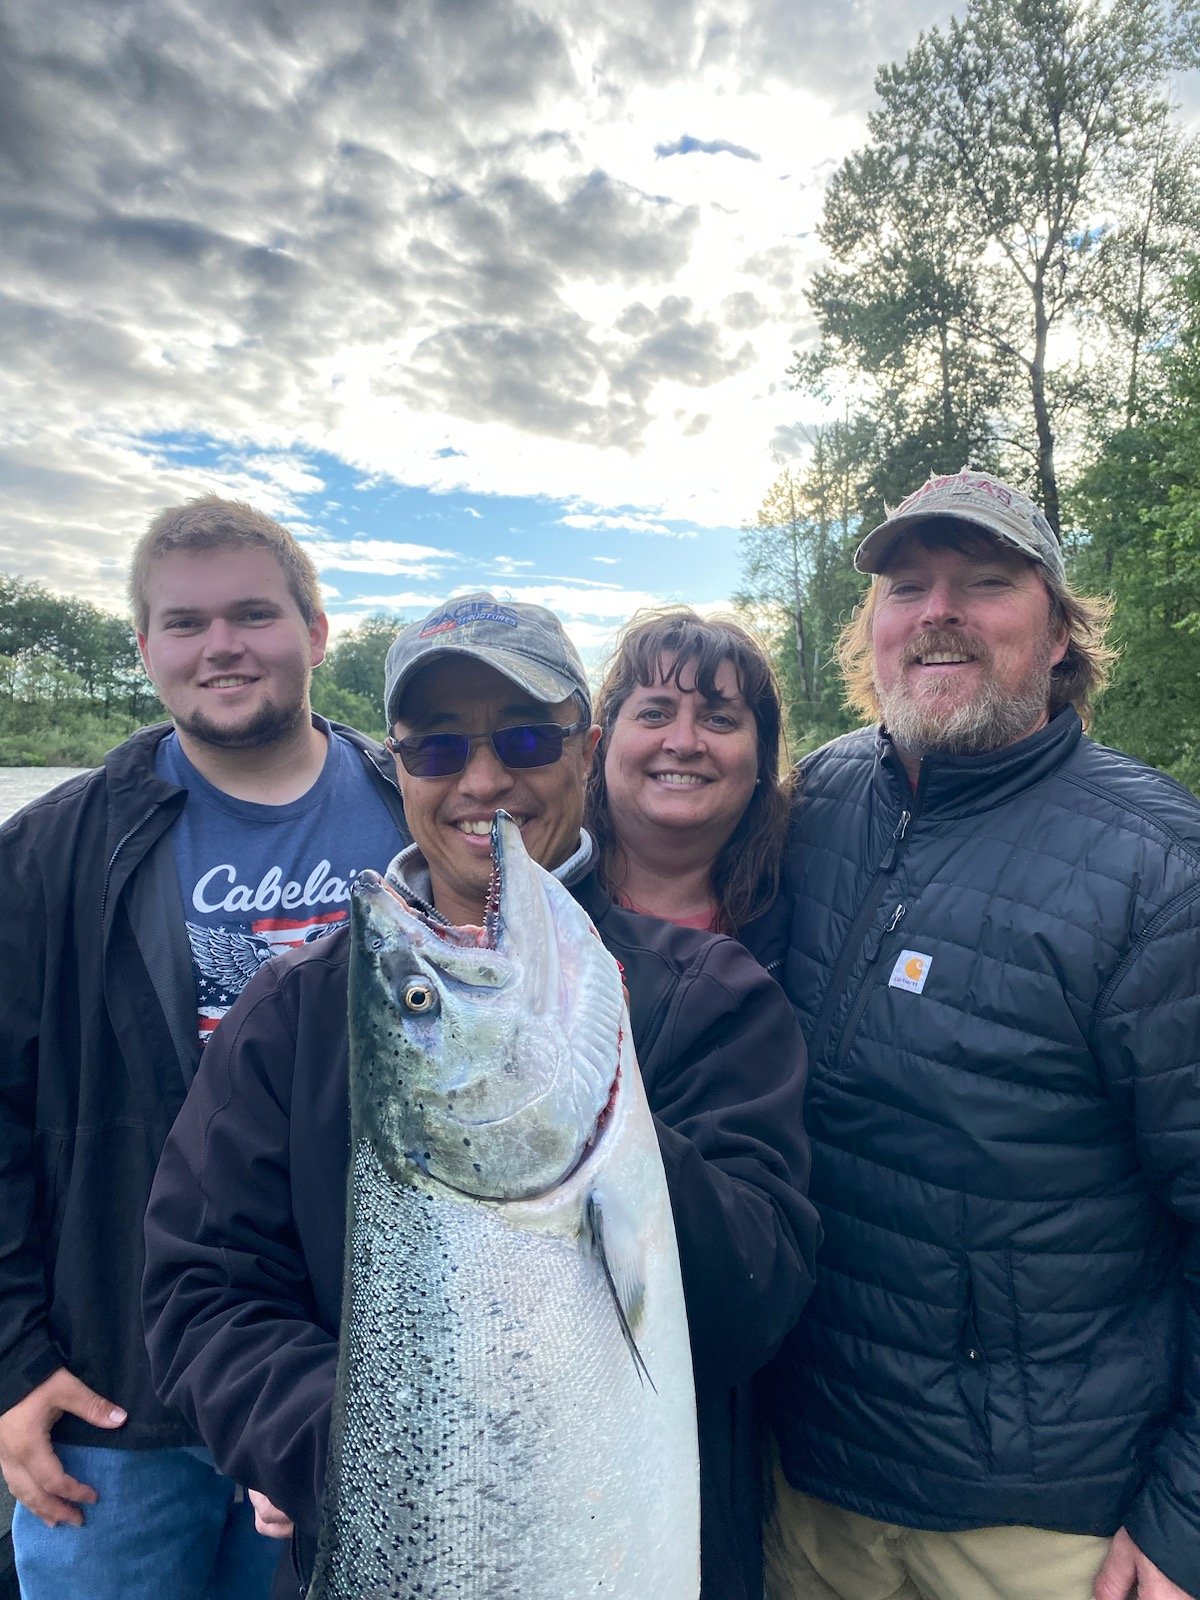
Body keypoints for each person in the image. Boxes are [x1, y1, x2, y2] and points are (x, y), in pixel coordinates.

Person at [141, 592, 820, 1600]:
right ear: (398, 766)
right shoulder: (295, 1010)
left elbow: (755, 1304)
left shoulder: (710, 997)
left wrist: (599, 1123)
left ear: (585, 753)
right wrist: (345, 1445)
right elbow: (199, 1291)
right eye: (439, 748)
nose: (485, 778)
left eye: (526, 737)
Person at [750, 468, 1200, 1600]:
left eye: (986, 581)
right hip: (811, 1489)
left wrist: (1189, 1512)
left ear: (1058, 631)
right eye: (908, 585)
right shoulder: (816, 800)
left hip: (1045, 1529)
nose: (938, 610)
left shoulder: (1158, 869)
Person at [0, 496, 407, 1600]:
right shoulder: (47, 855)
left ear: (317, 633)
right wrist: (12, 1363)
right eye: (183, 623)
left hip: (347, 1388)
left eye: (253, 613)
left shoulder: (413, 814)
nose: (220, 644)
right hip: (120, 1402)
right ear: (144, 650)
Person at [586, 606, 793, 937]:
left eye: (718, 719)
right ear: (604, 740)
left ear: (760, 755)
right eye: (654, 714)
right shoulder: (531, 895)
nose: (683, 744)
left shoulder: (805, 916)